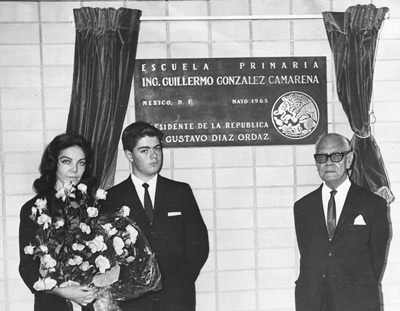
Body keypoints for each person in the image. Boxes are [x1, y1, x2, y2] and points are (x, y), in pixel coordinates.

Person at [101, 121, 209, 311]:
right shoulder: (112, 198)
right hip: (133, 301)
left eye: (157, 148)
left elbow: (199, 243)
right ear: (129, 155)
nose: (154, 156)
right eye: (144, 150)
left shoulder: (180, 192)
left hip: (176, 298)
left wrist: (181, 281)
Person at [293, 133, 390, 311]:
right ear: (316, 163)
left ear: (349, 159)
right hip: (314, 301)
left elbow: (376, 258)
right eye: (322, 158)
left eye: (336, 156)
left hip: (357, 300)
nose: (328, 163)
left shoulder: (373, 204)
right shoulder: (302, 207)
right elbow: (308, 256)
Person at [19, 133, 97, 311]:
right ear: (53, 163)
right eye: (67, 161)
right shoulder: (34, 209)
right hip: (52, 305)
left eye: (81, 163)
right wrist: (61, 291)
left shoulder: (93, 206)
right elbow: (27, 268)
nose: (74, 170)